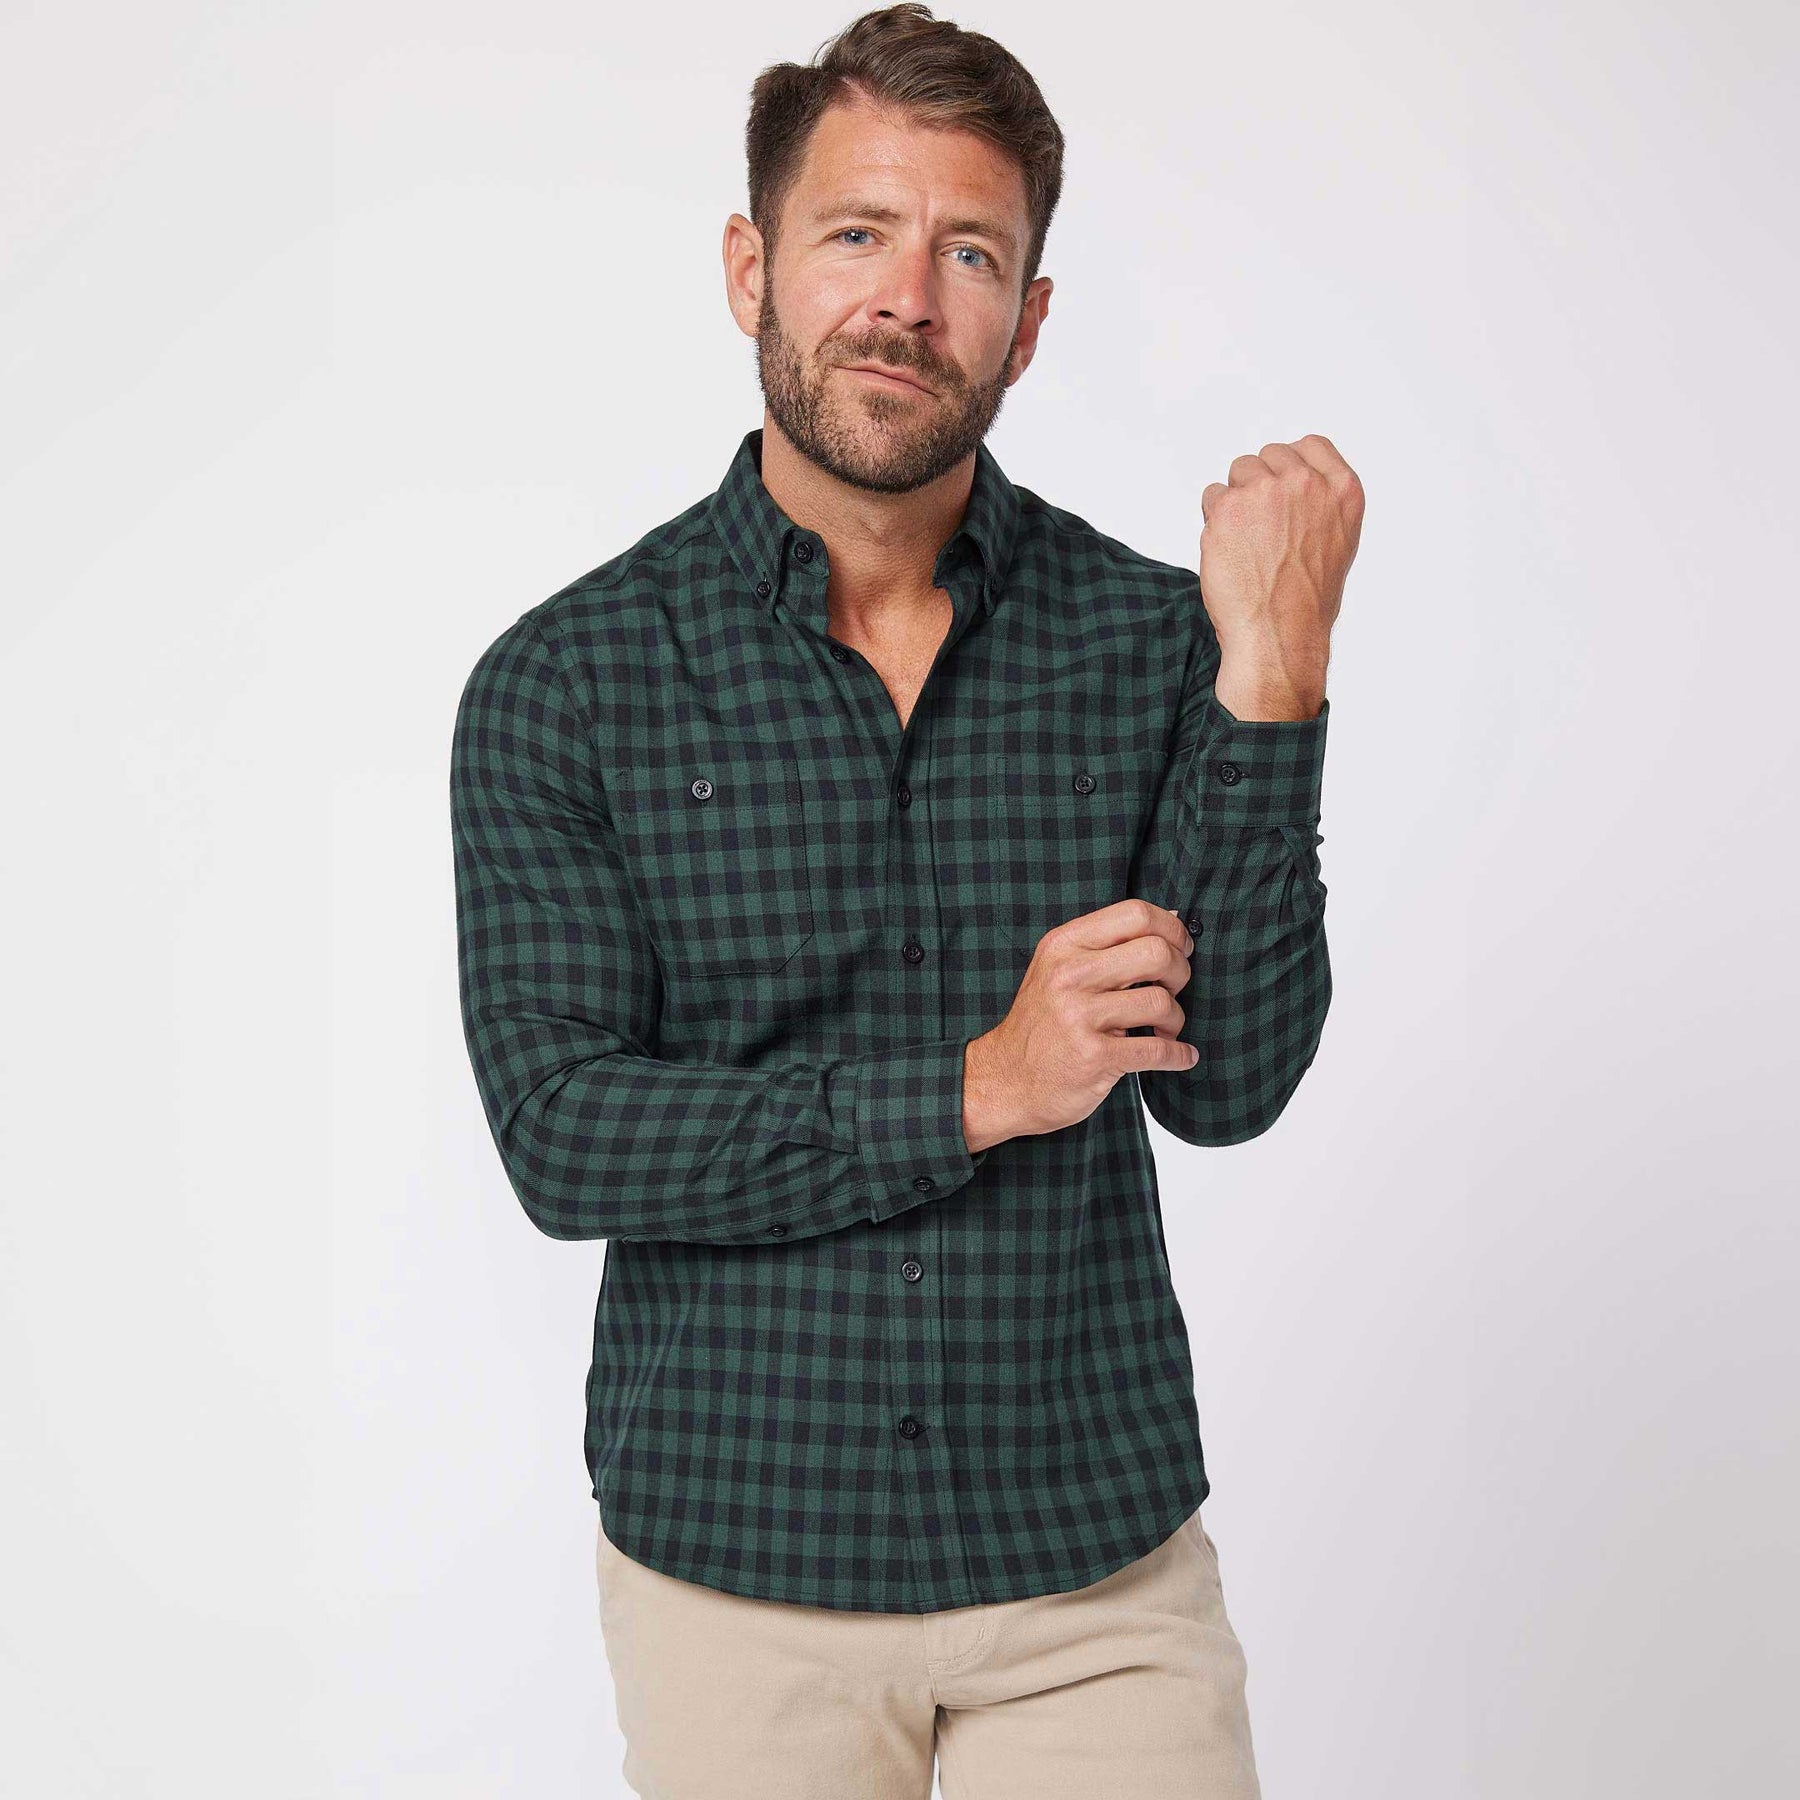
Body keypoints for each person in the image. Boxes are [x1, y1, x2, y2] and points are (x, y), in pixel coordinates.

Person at [450, 6, 1360, 1794]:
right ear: (752, 269)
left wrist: (1275, 675)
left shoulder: (1146, 638)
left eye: (970, 255)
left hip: (1093, 1564)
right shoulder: (567, 684)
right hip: (740, 1570)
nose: (906, 301)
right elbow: (563, 1136)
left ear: (1029, 319)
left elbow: (1232, 1086)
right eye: (857, 233)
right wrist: (981, 1086)